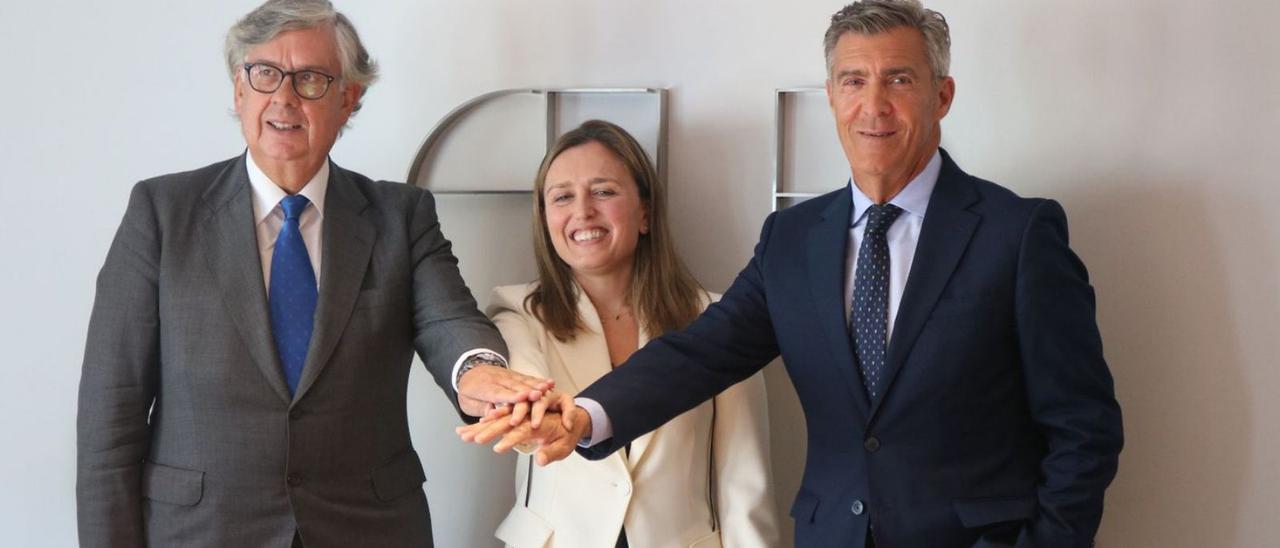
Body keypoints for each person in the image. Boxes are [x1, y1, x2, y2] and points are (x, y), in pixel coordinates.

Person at [465, 1, 1124, 547]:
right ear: (831, 95)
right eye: (852, 81)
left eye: (899, 79)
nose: (873, 105)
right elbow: (701, 353)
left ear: (941, 95)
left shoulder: (1017, 234)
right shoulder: (793, 240)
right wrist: (584, 418)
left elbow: (1083, 428)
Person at [74, 1, 552, 546]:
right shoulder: (162, 212)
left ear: (350, 98)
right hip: (200, 531)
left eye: (311, 79)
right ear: (238, 89)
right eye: (265, 73)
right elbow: (110, 418)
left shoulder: (401, 216)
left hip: (366, 529)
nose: (283, 97)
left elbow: (449, 320)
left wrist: (478, 373)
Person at [470, 120, 780, 548]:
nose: (583, 211)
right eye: (562, 197)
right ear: (545, 220)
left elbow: (743, 478)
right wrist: (532, 412)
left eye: (603, 191)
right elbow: (525, 384)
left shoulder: (717, 319)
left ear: (646, 213)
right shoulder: (518, 311)